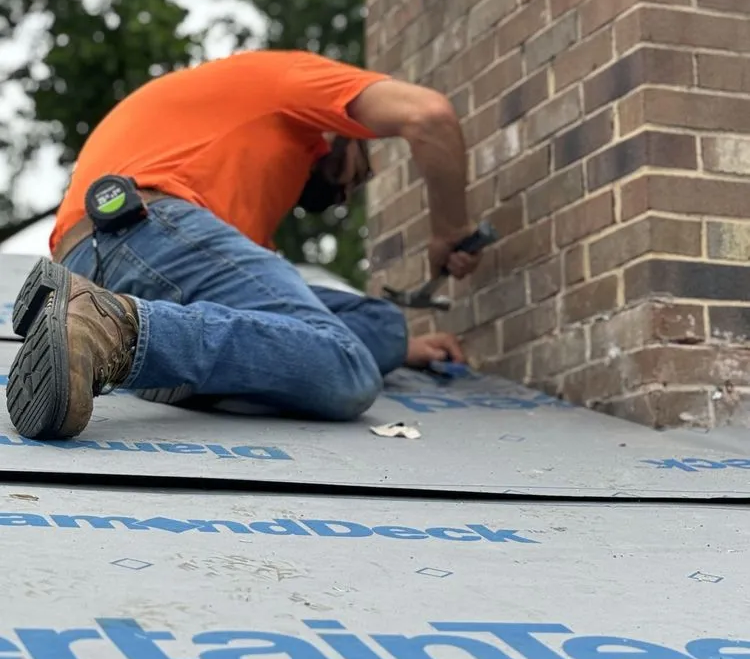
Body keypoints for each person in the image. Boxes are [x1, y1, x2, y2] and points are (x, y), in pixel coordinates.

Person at [6, 50, 484, 442]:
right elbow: (429, 116)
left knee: (381, 325)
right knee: (349, 367)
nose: (348, 192)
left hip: (96, 252)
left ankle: (142, 344)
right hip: (149, 222)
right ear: (344, 134)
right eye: (360, 172)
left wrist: (405, 347)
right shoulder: (291, 78)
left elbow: (263, 323)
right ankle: (117, 331)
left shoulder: (234, 186)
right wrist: (450, 231)